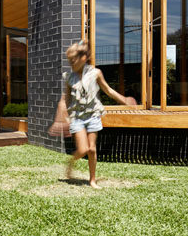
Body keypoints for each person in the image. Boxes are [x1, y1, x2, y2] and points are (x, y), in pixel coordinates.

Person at [49, 39, 136, 189]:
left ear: (83, 58)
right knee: (83, 150)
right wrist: (65, 114)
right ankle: (70, 164)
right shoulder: (69, 78)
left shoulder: (96, 73)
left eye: (73, 61)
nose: (71, 64)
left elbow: (108, 90)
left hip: (93, 115)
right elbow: (67, 97)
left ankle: (92, 180)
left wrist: (125, 100)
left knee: (92, 149)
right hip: (77, 117)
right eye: (69, 61)